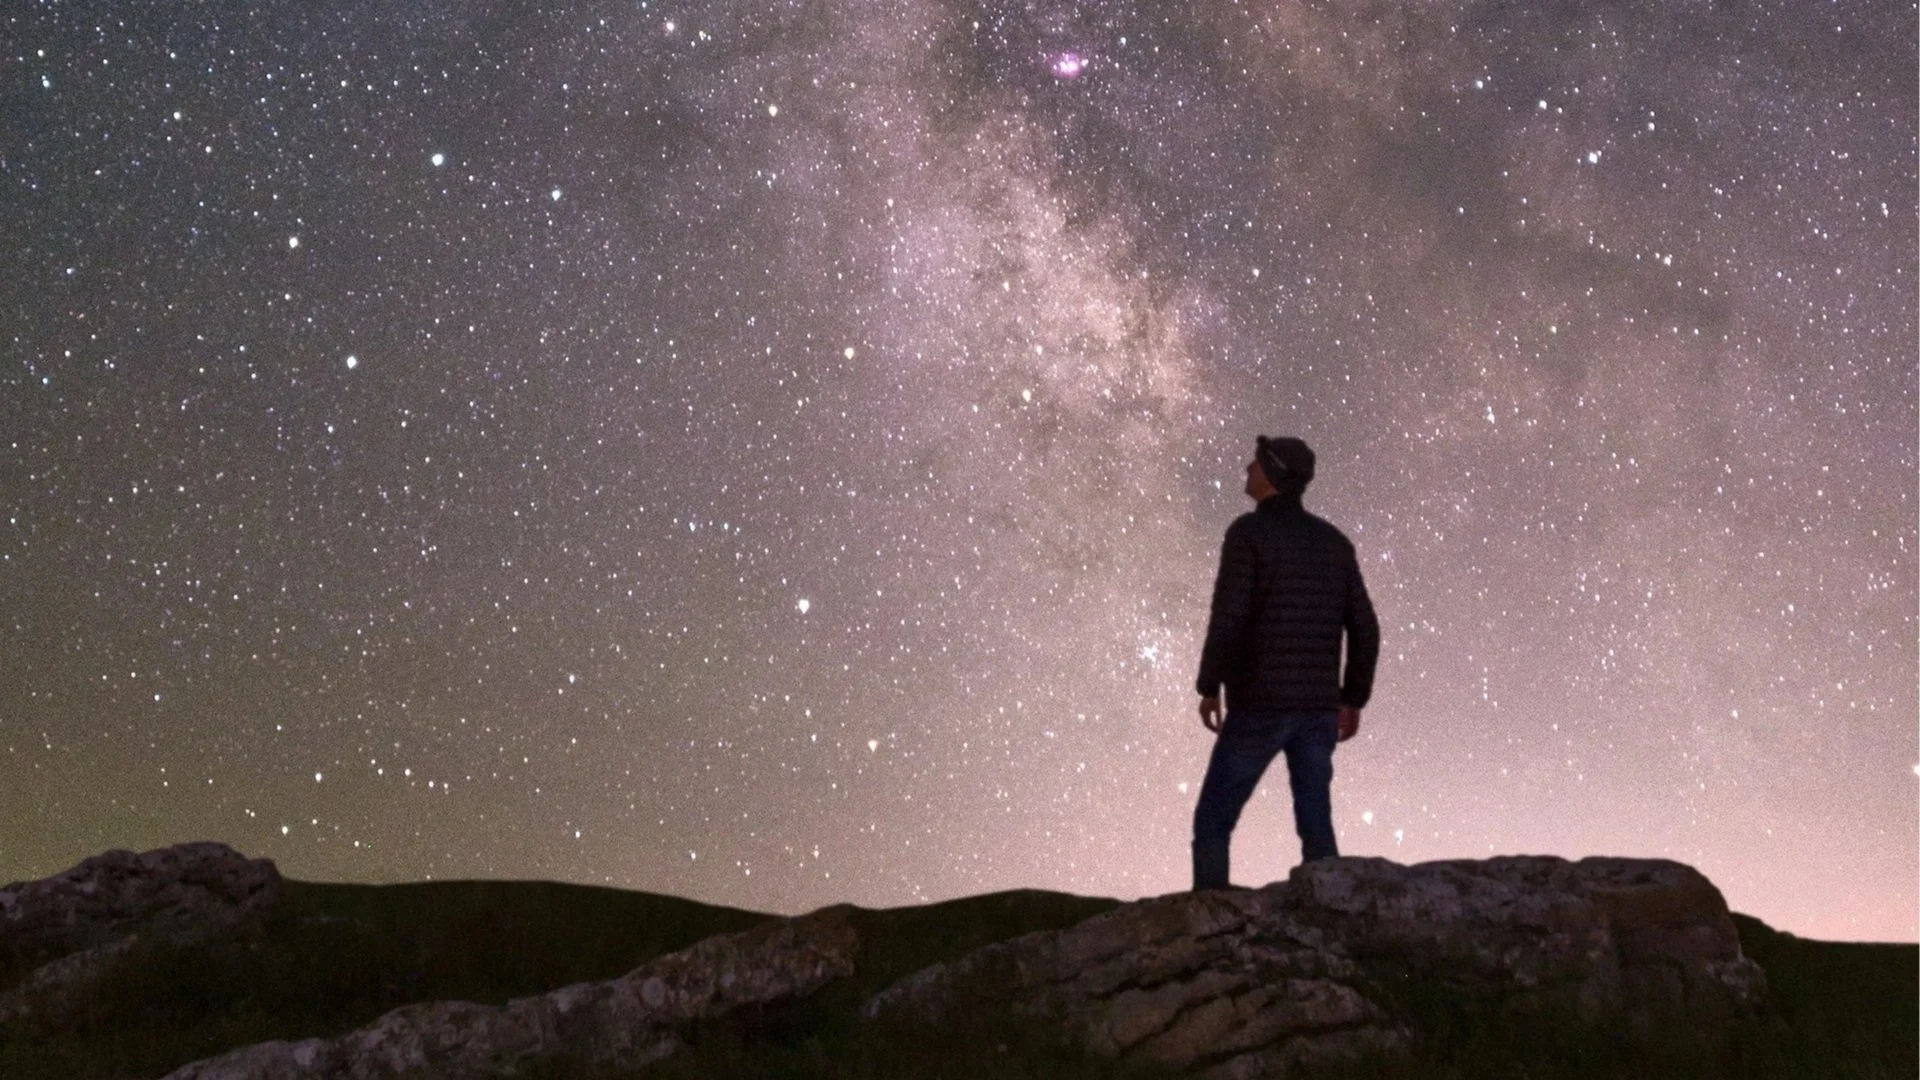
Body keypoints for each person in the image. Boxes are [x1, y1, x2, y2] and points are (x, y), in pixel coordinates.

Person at [1191, 435, 1380, 890]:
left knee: (1213, 822)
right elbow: (1366, 627)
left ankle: (1212, 930)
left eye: (1255, 463)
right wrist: (1352, 698)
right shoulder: (1335, 544)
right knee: (1316, 827)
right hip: (1317, 708)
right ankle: (1337, 927)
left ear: (1273, 475)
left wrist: (1209, 684)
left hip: (1259, 703)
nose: (1246, 468)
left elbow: (1229, 616)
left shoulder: (1247, 533)